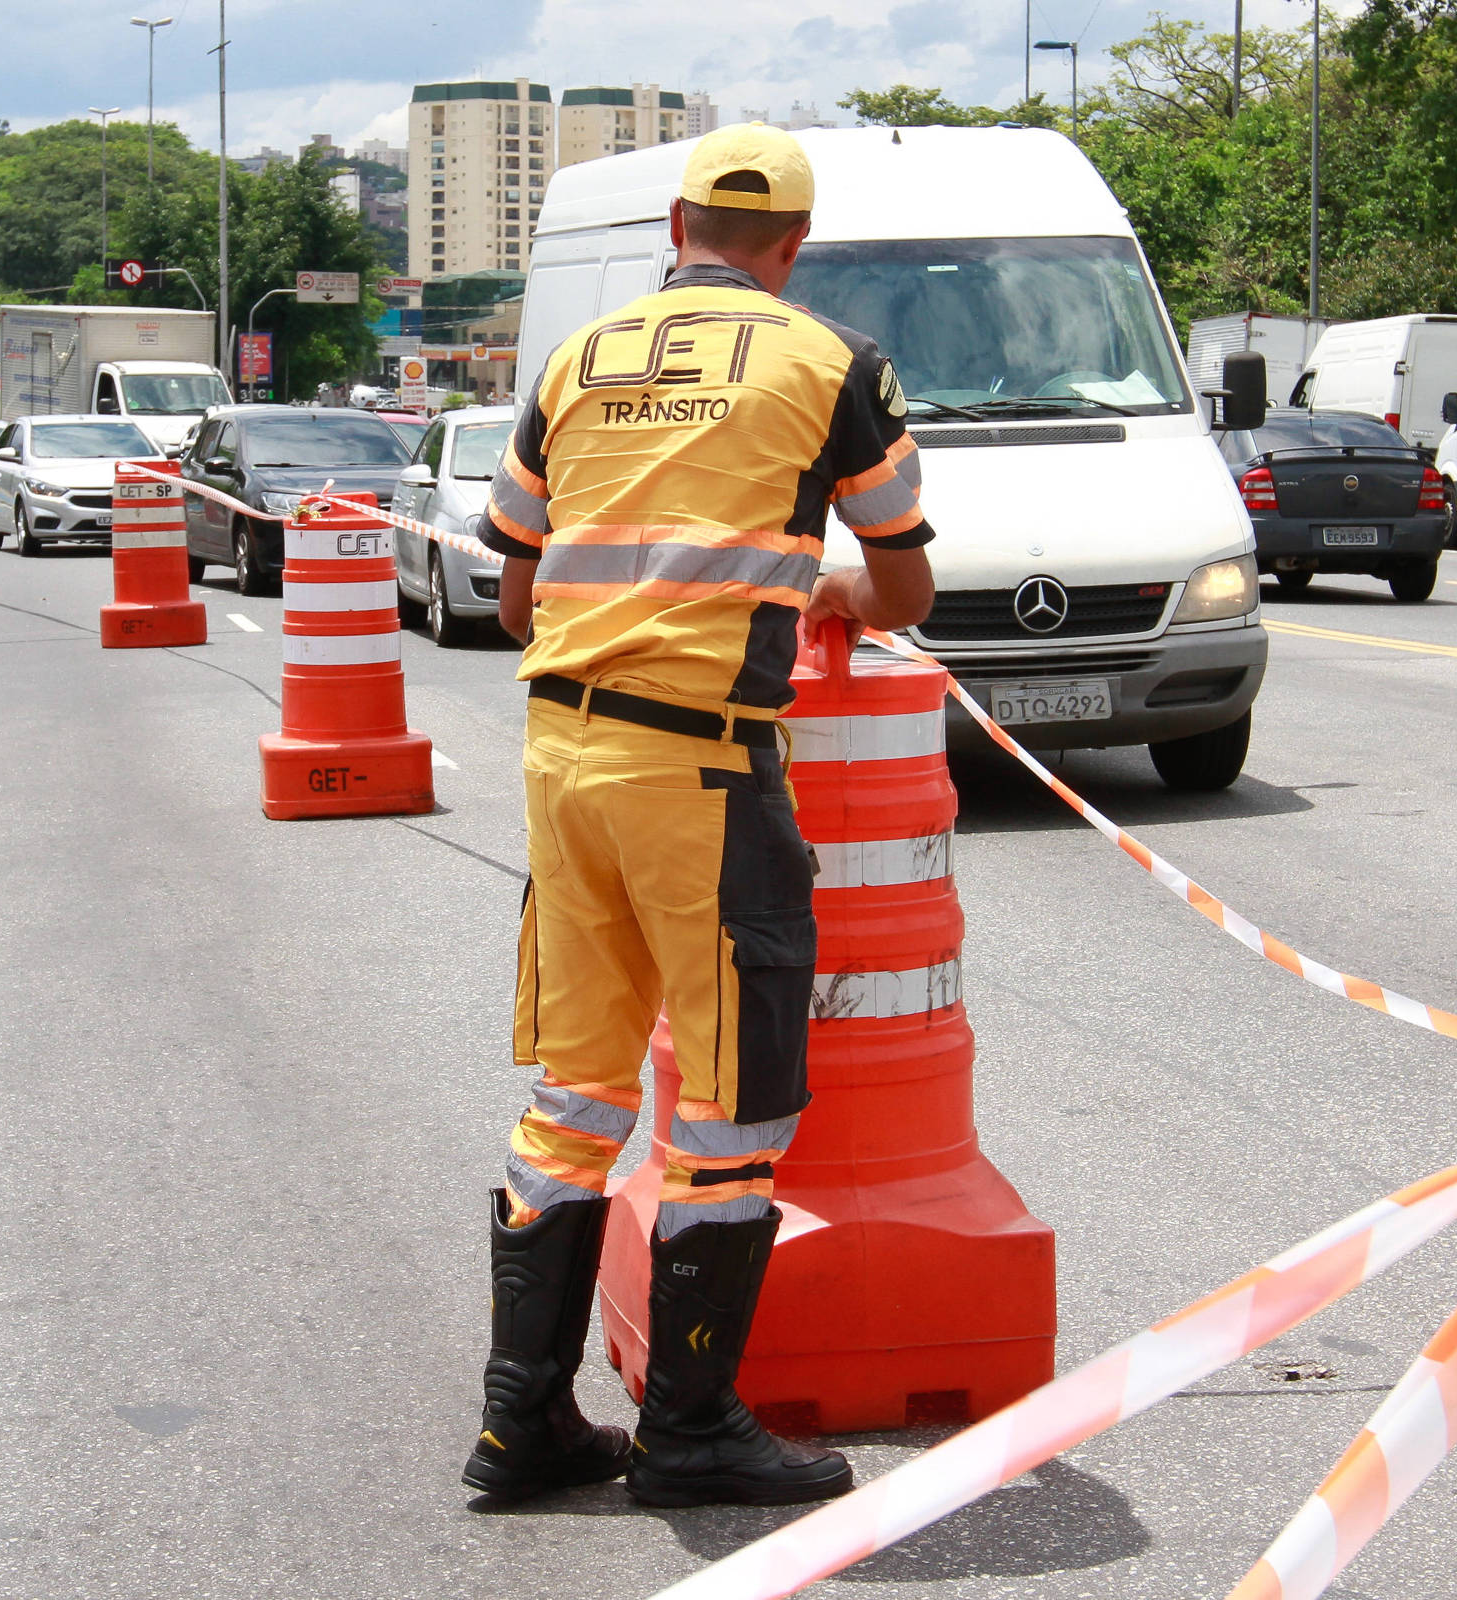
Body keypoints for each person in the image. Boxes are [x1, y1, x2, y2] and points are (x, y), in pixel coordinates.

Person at [459, 124, 937, 1508]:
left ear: (677, 224)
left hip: (565, 760)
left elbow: (510, 592)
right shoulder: (829, 363)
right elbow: (902, 588)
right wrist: (830, 596)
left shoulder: (575, 358)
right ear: (793, 244)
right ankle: (689, 1430)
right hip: (705, 773)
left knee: (575, 1096)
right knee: (724, 1114)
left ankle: (519, 1428)